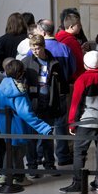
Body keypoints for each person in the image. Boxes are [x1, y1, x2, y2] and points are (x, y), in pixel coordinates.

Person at [59, 51, 98, 193]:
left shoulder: (82, 80)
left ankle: (78, 182)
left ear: (85, 65)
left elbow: (75, 104)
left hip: (86, 122)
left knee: (79, 152)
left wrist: (72, 122)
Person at [0, 59, 53, 187]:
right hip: (18, 126)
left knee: (9, 150)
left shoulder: (2, 85)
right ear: (20, 73)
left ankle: (4, 175)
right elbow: (26, 114)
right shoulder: (18, 91)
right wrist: (44, 128)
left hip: (5, 125)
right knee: (18, 152)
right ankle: (19, 177)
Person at [34, 19, 76, 166]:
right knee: (60, 126)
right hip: (61, 92)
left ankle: (40, 156)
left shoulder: (34, 48)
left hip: (42, 94)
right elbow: (72, 68)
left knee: (42, 126)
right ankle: (63, 156)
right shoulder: (64, 48)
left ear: (43, 32)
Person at [22, 34, 65, 176]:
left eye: (37, 48)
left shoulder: (54, 62)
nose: (35, 51)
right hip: (33, 105)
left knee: (47, 136)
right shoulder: (26, 62)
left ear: (43, 46)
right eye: (33, 48)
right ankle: (32, 166)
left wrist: (62, 101)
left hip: (49, 104)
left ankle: (49, 164)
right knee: (32, 138)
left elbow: (63, 83)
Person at [56, 13, 85, 81]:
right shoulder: (71, 41)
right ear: (71, 27)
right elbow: (78, 61)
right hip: (72, 78)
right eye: (79, 25)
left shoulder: (57, 37)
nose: (80, 27)